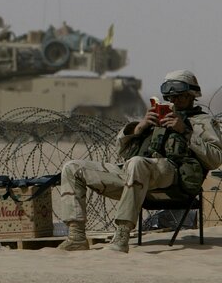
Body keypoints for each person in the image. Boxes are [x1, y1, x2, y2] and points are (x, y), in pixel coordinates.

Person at [57, 69, 222, 253]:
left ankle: (121, 236)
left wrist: (185, 131)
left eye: (180, 97)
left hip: (172, 177)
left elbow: (216, 159)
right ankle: (76, 236)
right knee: (73, 168)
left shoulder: (203, 122)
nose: (174, 102)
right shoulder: (160, 118)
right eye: (170, 97)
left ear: (192, 96)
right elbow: (121, 150)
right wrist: (140, 127)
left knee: (137, 163)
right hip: (135, 176)